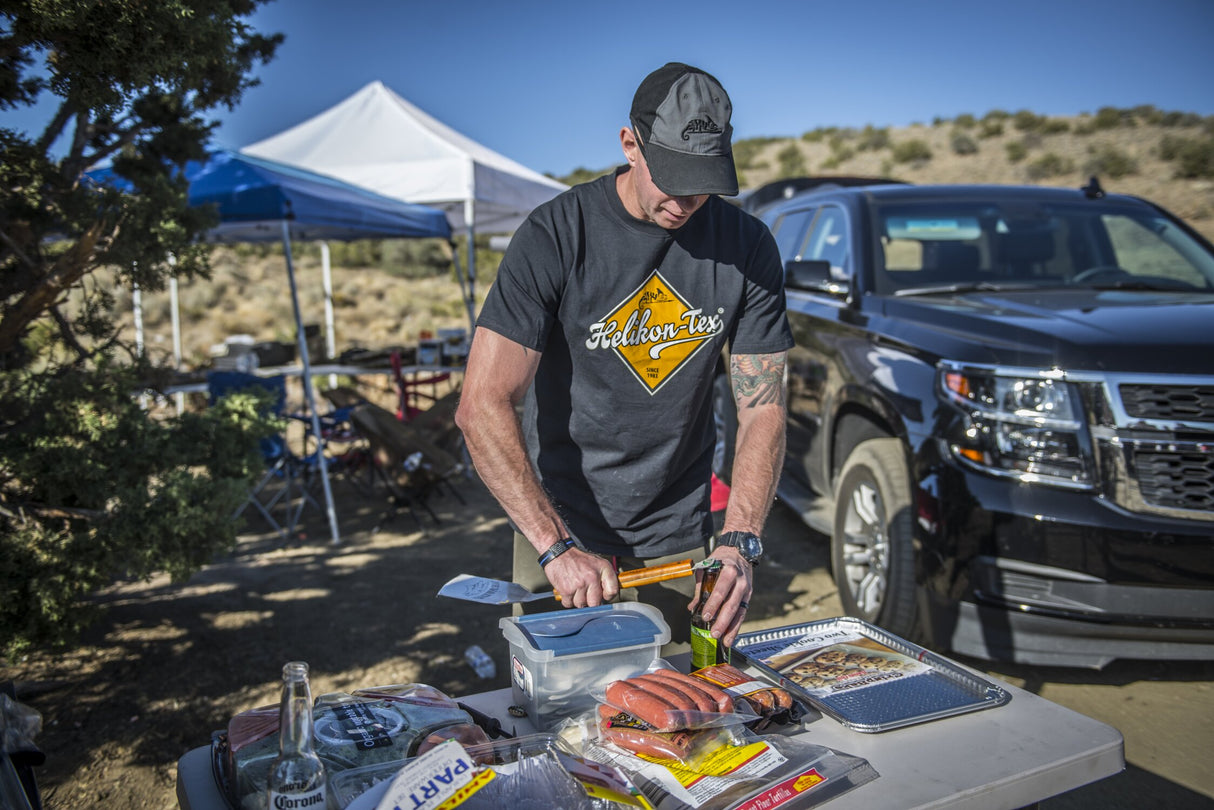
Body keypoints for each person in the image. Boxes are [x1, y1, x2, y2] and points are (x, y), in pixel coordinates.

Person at [455, 62, 792, 653]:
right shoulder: (556, 234)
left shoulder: (747, 247)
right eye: (674, 177)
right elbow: (482, 404)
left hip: (678, 532)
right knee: (560, 701)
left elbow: (763, 408)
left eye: (703, 182)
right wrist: (555, 545)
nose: (687, 201)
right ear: (630, 145)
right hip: (560, 524)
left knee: (683, 695)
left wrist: (741, 539)